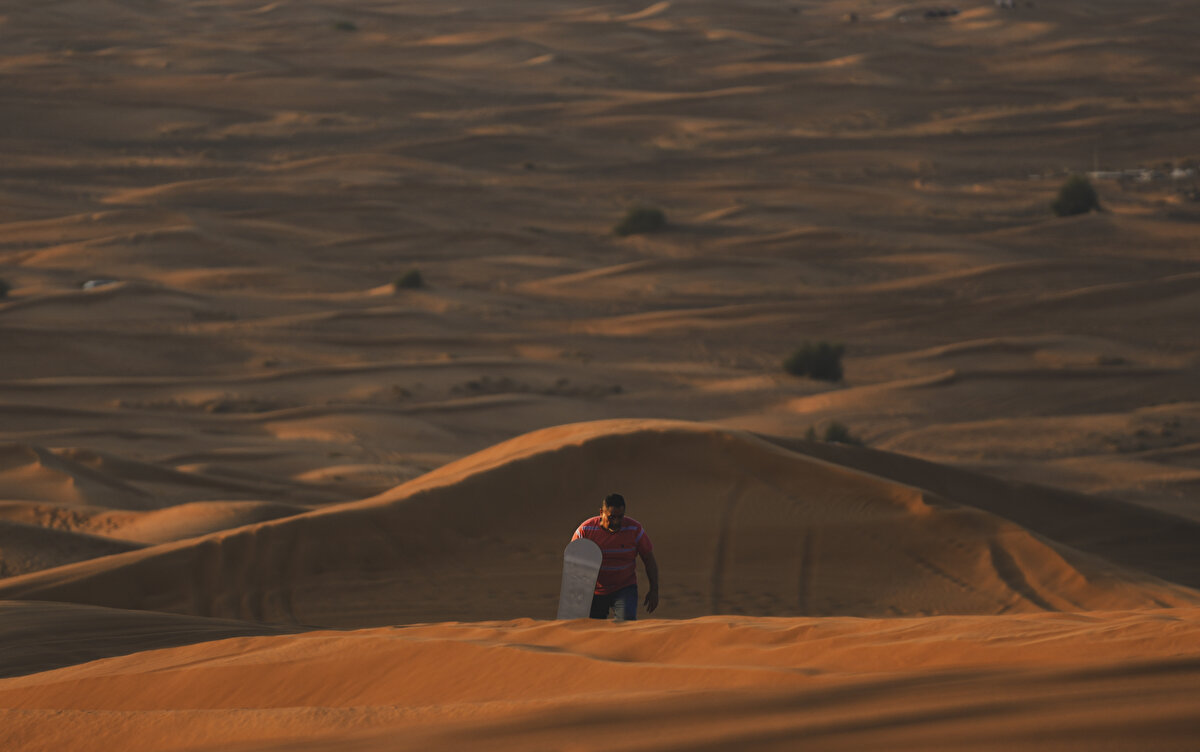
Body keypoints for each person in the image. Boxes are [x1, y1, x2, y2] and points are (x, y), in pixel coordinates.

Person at [571, 493, 659, 621]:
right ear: (601, 512)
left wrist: (654, 590)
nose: (616, 522)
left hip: (624, 588)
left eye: (620, 517)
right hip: (594, 591)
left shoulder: (634, 529)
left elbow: (649, 559)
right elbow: (573, 561)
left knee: (626, 625)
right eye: (612, 517)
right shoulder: (585, 530)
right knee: (593, 630)